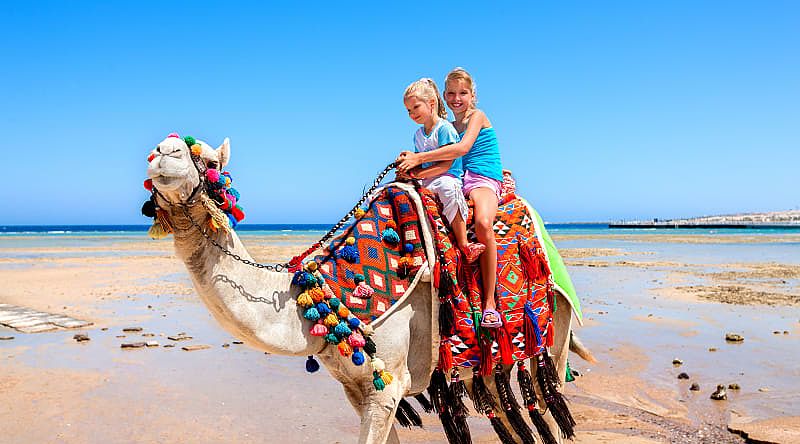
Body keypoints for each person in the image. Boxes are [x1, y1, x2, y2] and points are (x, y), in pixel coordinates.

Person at [397, 68, 503, 328]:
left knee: (483, 224)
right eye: (452, 93)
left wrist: (419, 159)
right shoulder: (447, 126)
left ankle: (490, 303)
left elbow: (462, 149)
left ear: (472, 95)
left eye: (463, 93)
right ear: (444, 96)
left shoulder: (477, 117)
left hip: (481, 178)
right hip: (460, 177)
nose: (457, 98)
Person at [400, 78, 485, 263]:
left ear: (431, 103)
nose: (412, 114)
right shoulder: (418, 135)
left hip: (447, 176)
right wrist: (407, 167)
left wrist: (418, 174)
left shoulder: (444, 129)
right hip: (428, 178)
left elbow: (446, 164)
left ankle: (464, 244)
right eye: (408, 110)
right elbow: (420, 161)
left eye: (416, 107)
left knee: (448, 189)